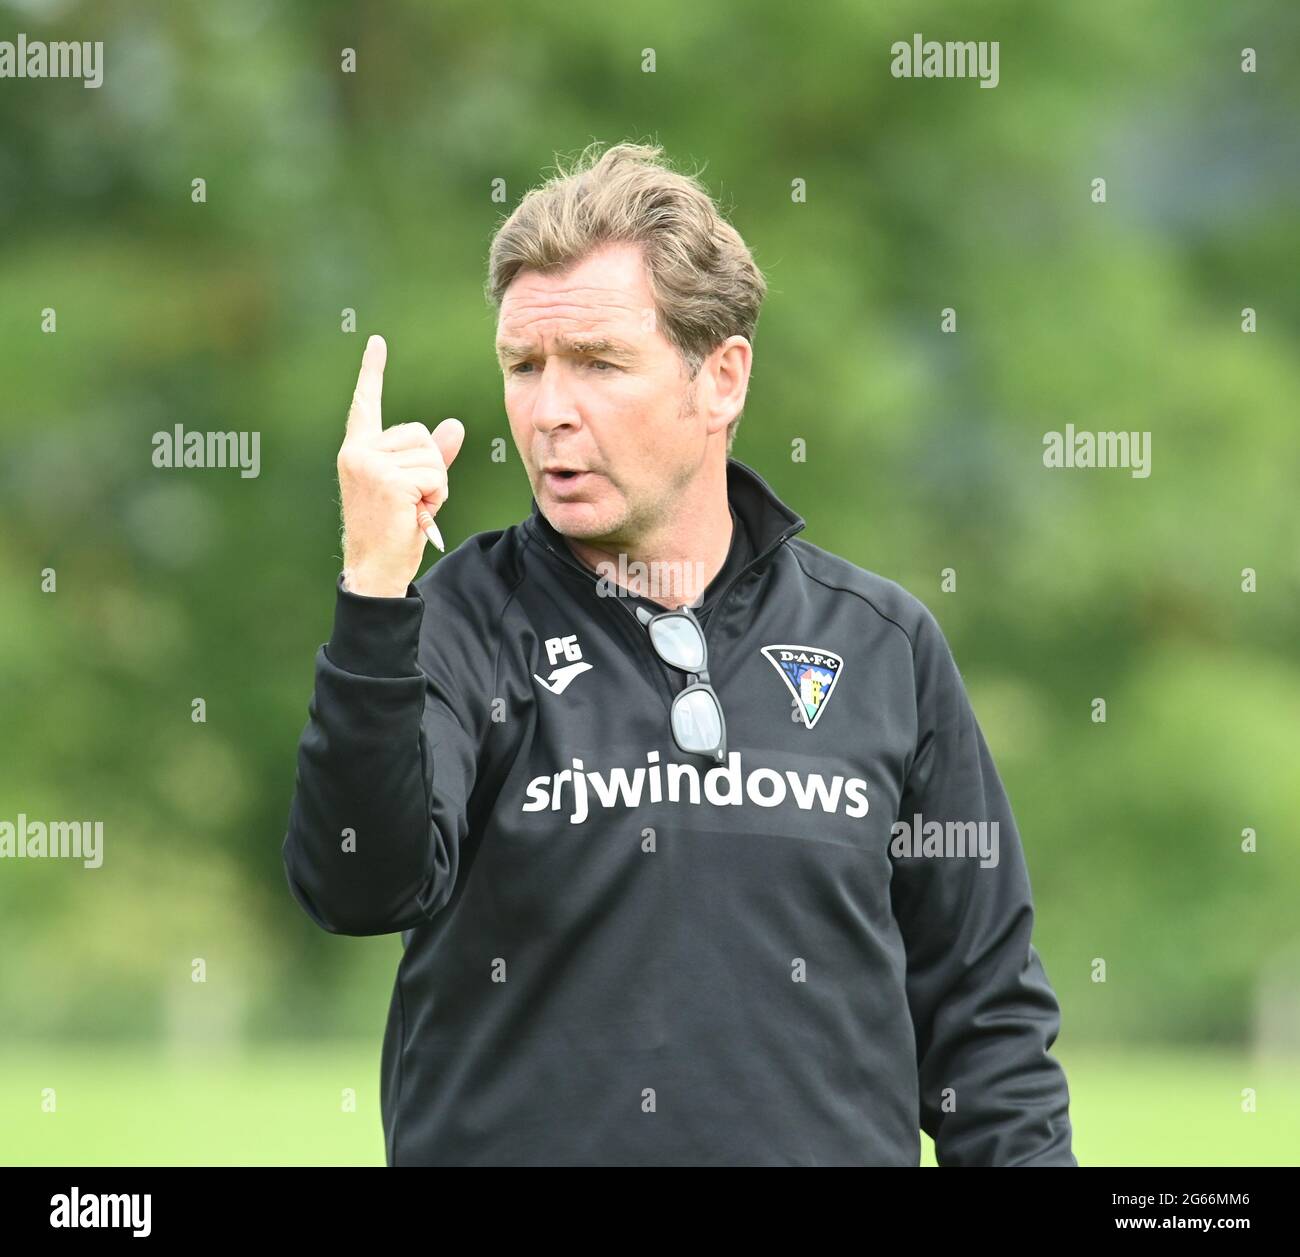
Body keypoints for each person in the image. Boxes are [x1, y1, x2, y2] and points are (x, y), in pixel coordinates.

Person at [281, 140, 1076, 1166]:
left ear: (721, 379)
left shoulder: (882, 646)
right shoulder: (449, 625)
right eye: (524, 367)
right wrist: (372, 590)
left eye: (600, 364)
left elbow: (986, 1027)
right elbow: (355, 888)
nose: (549, 409)